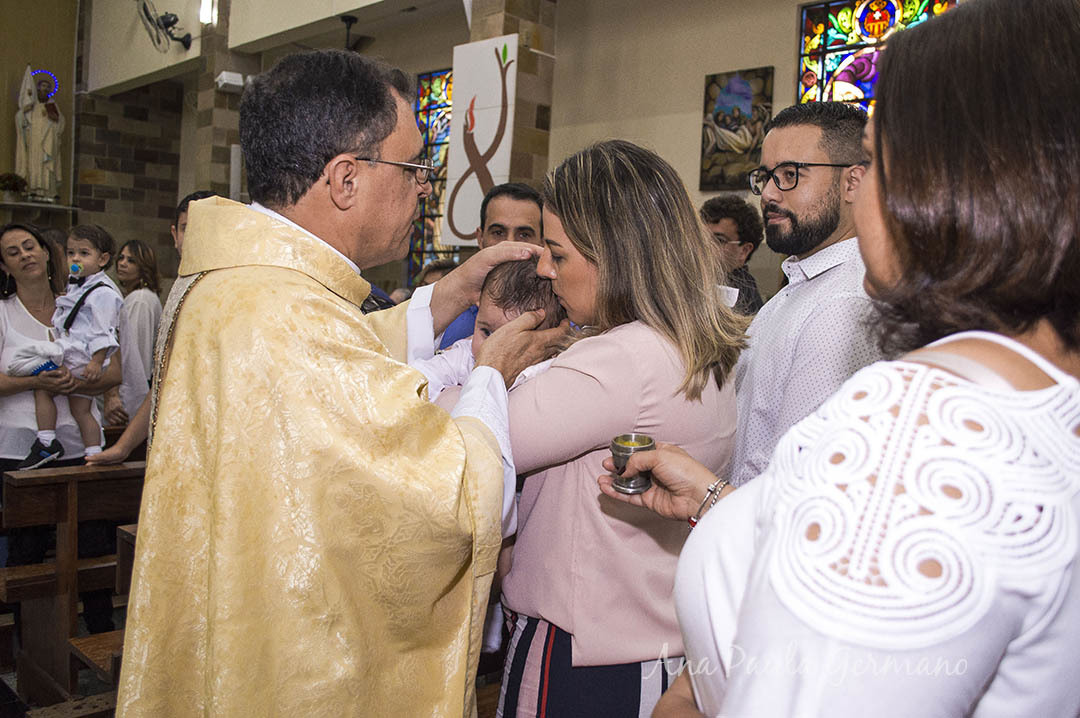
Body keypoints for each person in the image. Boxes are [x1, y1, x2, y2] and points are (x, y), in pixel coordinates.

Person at [599, 1, 1080, 715]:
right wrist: (716, 501)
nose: (864, 187)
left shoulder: (917, 426)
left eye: (878, 159)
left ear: (957, 183)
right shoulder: (1037, 385)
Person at [116, 50, 564, 718]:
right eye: (414, 168)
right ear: (346, 178)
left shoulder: (248, 287)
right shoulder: (285, 313)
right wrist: (492, 373)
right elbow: (448, 498)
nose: (424, 189)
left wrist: (444, 297)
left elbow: (337, 366)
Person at [495, 140, 747, 716]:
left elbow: (473, 438)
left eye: (557, 254)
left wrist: (489, 368)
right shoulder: (688, 342)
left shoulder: (621, 359)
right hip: (659, 637)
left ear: (610, 255)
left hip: (587, 647)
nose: (542, 268)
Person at [729, 101, 882, 488]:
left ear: (853, 182)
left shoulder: (844, 305)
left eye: (790, 174)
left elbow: (800, 484)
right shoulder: (798, 287)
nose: (768, 194)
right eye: (765, 177)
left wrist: (704, 496)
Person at [0, 222, 122, 633]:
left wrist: (80, 381)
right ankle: (26, 643)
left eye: (29, 246)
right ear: (4, 266)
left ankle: (102, 634)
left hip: (79, 445)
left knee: (93, 547)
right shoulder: (3, 313)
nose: (24, 255)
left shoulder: (81, 300)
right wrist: (36, 380)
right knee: (28, 552)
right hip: (21, 450)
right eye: (13, 252)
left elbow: (114, 370)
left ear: (46, 252)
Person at [12, 224, 123, 467]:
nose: (76, 259)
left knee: (44, 388)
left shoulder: (103, 292)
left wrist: (95, 362)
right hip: (81, 355)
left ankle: (47, 441)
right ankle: (93, 453)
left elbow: (104, 332)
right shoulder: (79, 282)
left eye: (84, 254)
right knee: (79, 409)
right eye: (72, 253)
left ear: (103, 259)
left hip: (81, 356)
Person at [412, 257, 564, 402]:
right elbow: (415, 380)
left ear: (546, 343)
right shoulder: (466, 357)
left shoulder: (548, 371)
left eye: (508, 341)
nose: (490, 348)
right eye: (486, 332)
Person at [439, 182, 543, 348]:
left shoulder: (561, 321)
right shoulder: (442, 320)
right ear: (480, 238)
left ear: (542, 243)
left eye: (524, 234)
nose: (509, 245)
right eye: (498, 233)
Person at [104, 240, 162, 423]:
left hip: (129, 397)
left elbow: (135, 355)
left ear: (143, 266)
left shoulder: (140, 300)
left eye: (131, 260)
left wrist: (121, 398)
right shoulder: (132, 297)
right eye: (121, 258)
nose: (122, 263)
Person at [700, 194, 764, 314]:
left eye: (718, 240)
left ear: (744, 251)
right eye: (701, 238)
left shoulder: (743, 302)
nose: (705, 247)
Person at [15, 67, 64, 201]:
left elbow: (61, 124)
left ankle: (48, 193)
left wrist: (56, 121)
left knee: (47, 168)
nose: (46, 89)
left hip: (48, 144)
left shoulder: (53, 106)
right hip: (34, 143)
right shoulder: (32, 106)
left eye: (48, 87)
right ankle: (32, 190)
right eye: (43, 86)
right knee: (33, 165)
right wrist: (24, 111)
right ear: (37, 89)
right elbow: (20, 120)